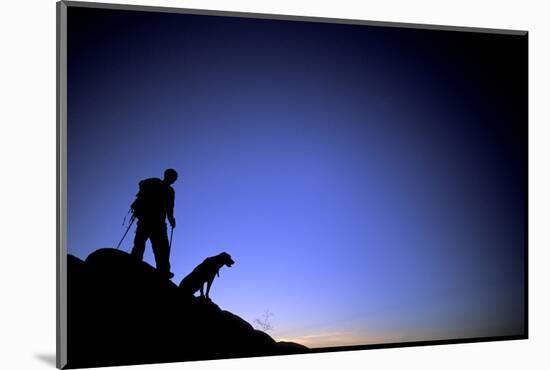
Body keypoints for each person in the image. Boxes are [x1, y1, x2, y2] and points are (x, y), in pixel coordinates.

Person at [130, 168, 178, 279]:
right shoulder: (165, 188)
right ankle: (162, 270)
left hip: (149, 220)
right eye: (173, 178)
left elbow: (170, 208)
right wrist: (171, 219)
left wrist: (171, 219)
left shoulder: (159, 185)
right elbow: (170, 208)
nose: (173, 181)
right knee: (159, 247)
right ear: (168, 176)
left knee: (146, 244)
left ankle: (137, 262)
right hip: (153, 221)